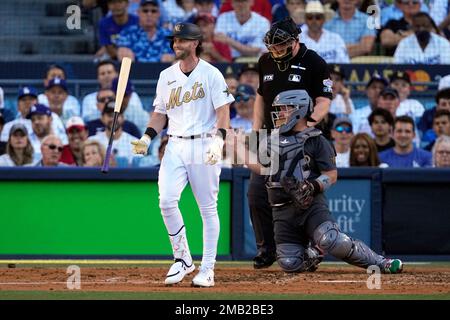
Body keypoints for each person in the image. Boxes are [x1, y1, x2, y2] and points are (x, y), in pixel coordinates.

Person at [234, 89, 403, 274]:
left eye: (284, 108)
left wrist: (313, 185)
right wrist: (236, 147)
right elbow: (263, 169)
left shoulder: (317, 139)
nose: (279, 113)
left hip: (310, 206)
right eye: (278, 109)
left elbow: (331, 175)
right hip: (282, 210)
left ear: (299, 110)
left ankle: (380, 262)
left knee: (331, 239)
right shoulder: (272, 140)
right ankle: (313, 253)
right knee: (289, 263)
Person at [130, 22, 234, 287]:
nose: (177, 44)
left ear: (196, 43)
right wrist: (146, 137)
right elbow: (159, 113)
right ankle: (183, 259)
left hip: (204, 143)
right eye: (175, 40)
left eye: (183, 40)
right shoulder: (166, 75)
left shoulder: (212, 74)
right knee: (166, 200)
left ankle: (208, 268)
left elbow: (223, 112)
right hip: (174, 144)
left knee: (208, 209)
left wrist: (218, 142)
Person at [250, 17, 332, 269]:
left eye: (281, 46)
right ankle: (267, 249)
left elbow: (324, 99)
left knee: (302, 194)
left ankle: (311, 250)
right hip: (271, 139)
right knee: (256, 194)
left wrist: (308, 125)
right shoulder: (265, 61)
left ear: (295, 41)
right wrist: (256, 134)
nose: (275, 52)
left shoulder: (314, 61)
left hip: (302, 138)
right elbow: (260, 98)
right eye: (272, 47)